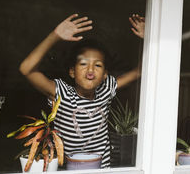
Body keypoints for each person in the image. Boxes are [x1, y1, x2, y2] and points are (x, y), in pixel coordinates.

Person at [19, 13, 145, 168]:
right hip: (69, 170)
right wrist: (55, 36)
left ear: (105, 75)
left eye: (98, 65)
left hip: (102, 170)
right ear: (72, 71)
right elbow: (26, 69)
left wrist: (147, 39)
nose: (90, 70)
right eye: (83, 64)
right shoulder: (62, 93)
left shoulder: (106, 89)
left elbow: (140, 71)